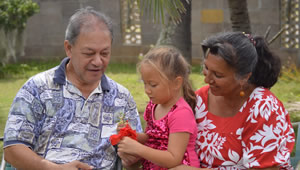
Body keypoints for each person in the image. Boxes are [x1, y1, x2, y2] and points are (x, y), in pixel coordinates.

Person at [3, 6, 143, 170]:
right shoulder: (37, 88)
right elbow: (12, 149)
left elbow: (136, 159)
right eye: (89, 53)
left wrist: (133, 158)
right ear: (69, 48)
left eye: (104, 53)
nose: (98, 61)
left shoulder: (121, 97)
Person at [170, 31, 295, 170]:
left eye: (218, 75)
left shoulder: (263, 108)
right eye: (206, 68)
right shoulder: (199, 100)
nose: (207, 79)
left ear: (244, 77)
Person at [117, 46, 200, 170]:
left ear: (176, 83)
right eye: (144, 83)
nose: (147, 90)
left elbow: (173, 159)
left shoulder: (181, 114)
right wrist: (133, 135)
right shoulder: (153, 107)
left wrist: (138, 149)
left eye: (153, 85)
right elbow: (152, 138)